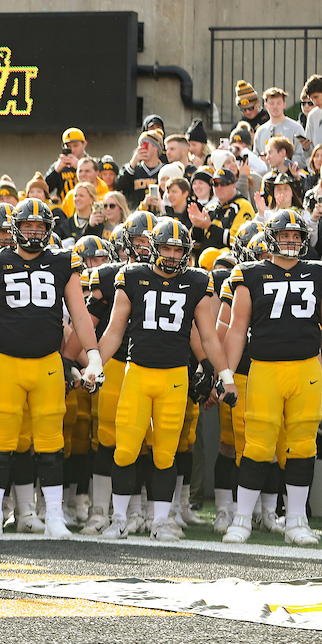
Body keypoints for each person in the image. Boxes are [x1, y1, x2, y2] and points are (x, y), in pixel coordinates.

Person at [0, 200, 104, 538]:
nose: (33, 232)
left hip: (47, 363)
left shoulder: (62, 261)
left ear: (49, 229)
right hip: (8, 363)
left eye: (39, 227)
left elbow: (79, 313)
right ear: (15, 227)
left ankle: (55, 516)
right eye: (27, 226)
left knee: (51, 443)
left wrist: (93, 354)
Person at [95, 218, 234, 540]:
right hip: (137, 372)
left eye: (178, 250)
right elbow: (114, 330)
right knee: (126, 450)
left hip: (174, 376)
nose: (171, 255)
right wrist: (94, 364)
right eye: (167, 248)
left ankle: (160, 521)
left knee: (165, 453)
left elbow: (208, 336)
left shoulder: (197, 281)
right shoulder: (132, 277)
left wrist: (224, 374)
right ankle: (119, 519)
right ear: (154, 248)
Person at [222, 209, 322, 546]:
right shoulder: (249, 273)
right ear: (272, 238)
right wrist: (228, 375)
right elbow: (237, 329)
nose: (291, 241)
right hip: (264, 367)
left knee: (302, 444)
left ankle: (296, 520)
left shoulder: (320, 272)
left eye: (297, 235)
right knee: (258, 443)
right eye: (285, 235)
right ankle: (242, 519)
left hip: (306, 367)